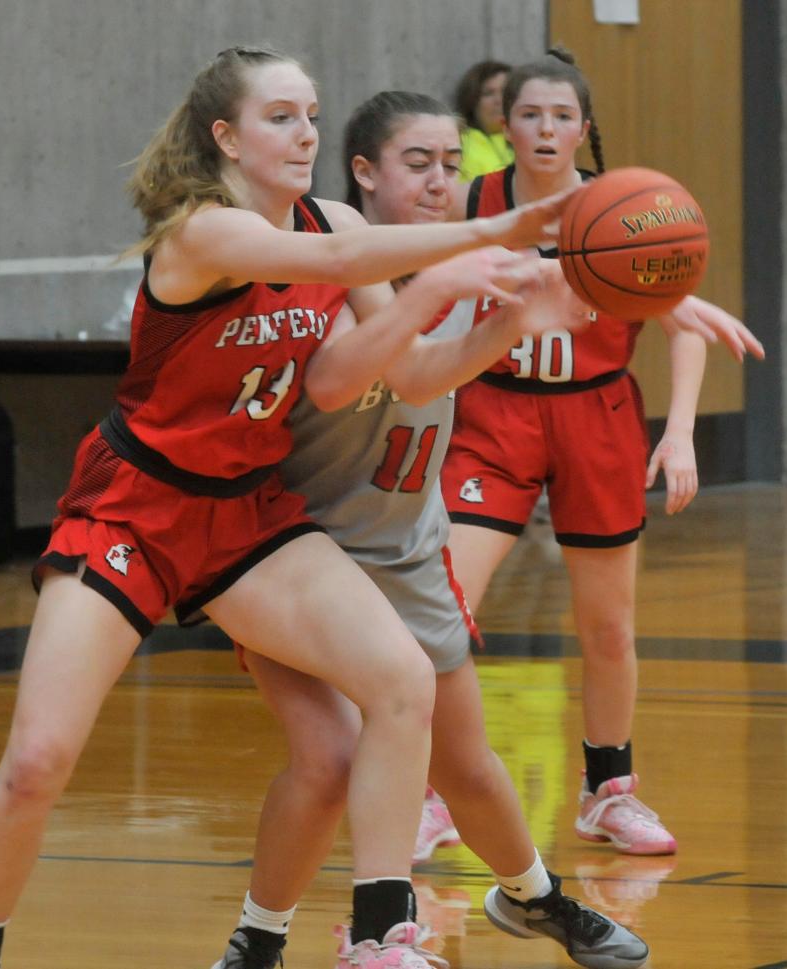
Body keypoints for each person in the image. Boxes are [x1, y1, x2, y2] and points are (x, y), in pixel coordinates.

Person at [0, 47, 580, 969]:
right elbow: (343, 256)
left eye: (312, 112)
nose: (306, 131)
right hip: (136, 507)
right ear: (224, 137)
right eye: (281, 116)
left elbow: (400, 358)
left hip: (249, 511)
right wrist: (497, 227)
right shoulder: (202, 234)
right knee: (37, 762)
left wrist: (513, 310)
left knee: (399, 683)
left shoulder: (330, 219)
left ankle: (380, 935)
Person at [212, 89, 650, 969]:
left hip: (408, 549)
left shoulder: (462, 272)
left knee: (473, 768)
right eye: (418, 164)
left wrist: (670, 301)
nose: (441, 183)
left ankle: (538, 900)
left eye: (453, 166)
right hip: (299, 553)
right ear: (363, 174)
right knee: (327, 758)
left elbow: (487, 339)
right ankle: (300, 936)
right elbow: (395, 377)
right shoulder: (316, 276)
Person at [439, 46, 762, 858]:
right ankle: (429, 789)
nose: (546, 129)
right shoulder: (472, 205)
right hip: (492, 412)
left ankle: (607, 791)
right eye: (529, 115)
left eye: (561, 116)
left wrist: (682, 430)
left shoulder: (623, 207)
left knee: (609, 627)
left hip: (598, 415)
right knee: (442, 613)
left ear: (585, 128)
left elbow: (681, 321)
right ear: (504, 124)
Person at [453, 59, 515, 181]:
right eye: (488, 93)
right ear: (472, 102)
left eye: (505, 92)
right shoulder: (459, 144)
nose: (499, 100)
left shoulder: (528, 142)